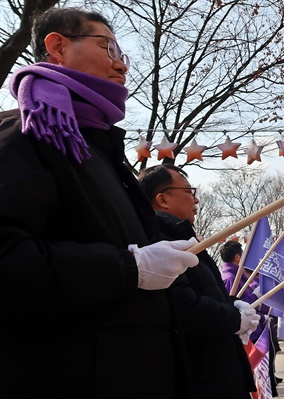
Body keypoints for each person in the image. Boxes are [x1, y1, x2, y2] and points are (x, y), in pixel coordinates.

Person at [0, 7, 201, 398]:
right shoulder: (25, 135)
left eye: (122, 55)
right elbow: (8, 260)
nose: (121, 67)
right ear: (57, 46)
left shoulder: (99, 148)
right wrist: (129, 267)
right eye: (107, 47)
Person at [138, 164, 259, 399]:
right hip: (203, 379)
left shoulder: (186, 240)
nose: (196, 200)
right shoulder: (159, 244)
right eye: (189, 192)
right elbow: (182, 305)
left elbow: (205, 293)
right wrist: (234, 318)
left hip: (217, 373)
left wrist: (232, 303)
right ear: (163, 199)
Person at [221, 240, 279, 397]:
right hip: (247, 335)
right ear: (238, 257)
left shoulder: (237, 276)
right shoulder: (230, 278)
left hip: (254, 329)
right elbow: (235, 305)